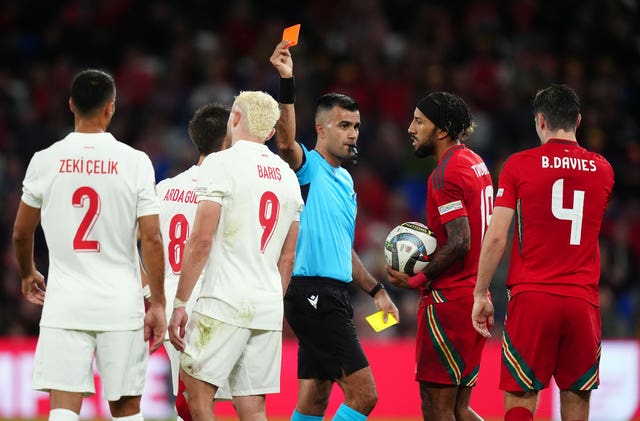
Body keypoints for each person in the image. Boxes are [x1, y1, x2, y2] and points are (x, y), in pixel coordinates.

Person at [12, 69, 166, 421]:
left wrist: (27, 272)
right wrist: (157, 302)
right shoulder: (135, 162)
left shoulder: (45, 160)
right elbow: (153, 238)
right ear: (111, 108)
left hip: (65, 304)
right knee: (126, 410)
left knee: (63, 410)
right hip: (121, 305)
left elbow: (22, 233)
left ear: (70, 105)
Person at [270, 40, 399, 421]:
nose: (353, 134)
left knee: (313, 402)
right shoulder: (307, 168)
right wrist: (287, 80)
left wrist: (376, 291)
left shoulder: (345, 182)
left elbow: (342, 249)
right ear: (321, 129)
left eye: (357, 127)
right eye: (344, 126)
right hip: (312, 296)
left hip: (333, 294)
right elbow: (284, 141)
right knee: (365, 395)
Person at [472, 84, 614, 421]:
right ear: (577, 121)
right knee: (577, 397)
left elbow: (496, 237)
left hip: (533, 298)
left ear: (540, 121)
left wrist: (481, 292)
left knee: (521, 394)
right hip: (582, 302)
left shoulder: (518, 165)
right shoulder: (604, 169)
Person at [168, 90, 303, 421]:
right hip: (268, 303)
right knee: (253, 404)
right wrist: (273, 297)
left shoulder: (220, 163)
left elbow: (200, 240)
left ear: (235, 119)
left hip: (225, 299)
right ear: (271, 132)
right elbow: (287, 257)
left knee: (197, 392)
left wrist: (180, 302)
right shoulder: (288, 175)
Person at [386, 91, 492, 421]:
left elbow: (461, 241)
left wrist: (417, 278)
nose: (410, 128)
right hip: (475, 298)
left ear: (442, 130)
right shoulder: (475, 162)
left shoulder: (445, 174)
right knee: (460, 409)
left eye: (419, 121)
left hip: (449, 304)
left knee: (437, 409)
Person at [155, 103, 232, 421]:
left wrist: (152, 299)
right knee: (217, 403)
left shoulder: (165, 189)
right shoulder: (227, 191)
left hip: (174, 307)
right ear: (229, 140)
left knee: (188, 403)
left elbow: (142, 250)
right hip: (213, 304)